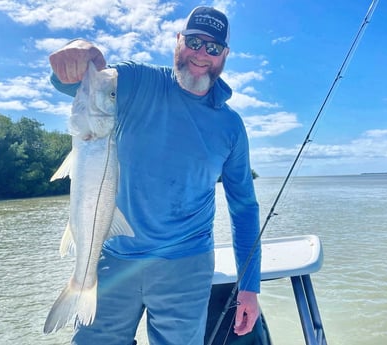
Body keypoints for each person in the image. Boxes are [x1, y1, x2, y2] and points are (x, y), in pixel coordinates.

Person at [49, 6, 262, 345]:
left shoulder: (231, 126)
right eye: (194, 41)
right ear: (178, 41)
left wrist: (249, 287)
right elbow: (79, 83)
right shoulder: (137, 80)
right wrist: (79, 50)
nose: (201, 54)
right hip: (114, 256)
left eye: (213, 47)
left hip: (187, 263)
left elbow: (245, 208)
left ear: (225, 55)